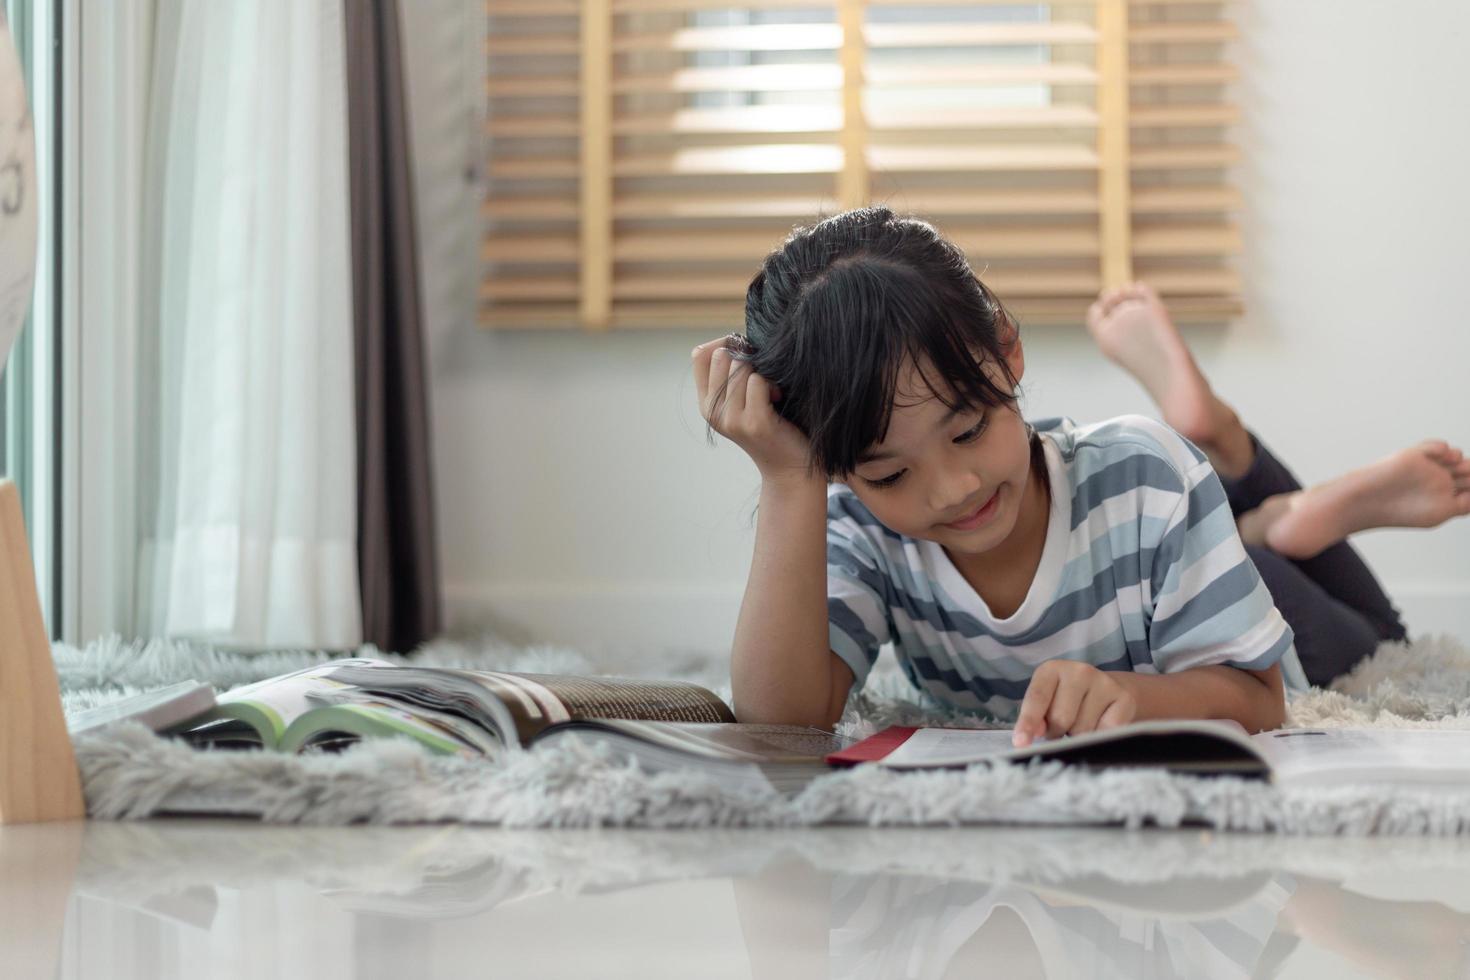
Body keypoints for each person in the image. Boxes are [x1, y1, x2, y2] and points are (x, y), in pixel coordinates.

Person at [690, 207, 1464, 745]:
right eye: (890, 474)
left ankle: (1251, 490)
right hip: (1172, 550)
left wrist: (1139, 698)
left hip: (1266, 616)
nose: (953, 487)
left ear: (1008, 351)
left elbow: (1261, 699)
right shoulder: (857, 528)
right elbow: (780, 722)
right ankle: (1262, 513)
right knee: (1223, 537)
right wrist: (789, 481)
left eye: (967, 429)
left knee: (1380, 640)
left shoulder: (1145, 475)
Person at [1085, 282, 1470, 687]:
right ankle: (1240, 471)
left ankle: (1260, 518)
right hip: (1310, 629)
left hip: (1277, 628)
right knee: (1385, 644)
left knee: (1381, 639)